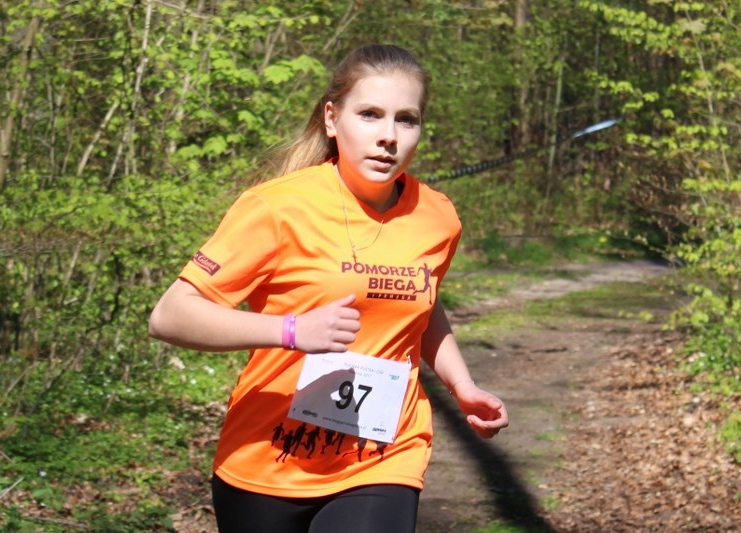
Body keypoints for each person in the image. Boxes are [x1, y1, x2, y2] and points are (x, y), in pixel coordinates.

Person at [149, 43, 509, 533]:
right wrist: (291, 330)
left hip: (384, 455)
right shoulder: (277, 207)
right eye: (370, 114)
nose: (388, 136)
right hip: (268, 458)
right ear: (332, 118)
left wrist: (461, 385)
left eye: (406, 119)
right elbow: (170, 315)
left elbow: (421, 306)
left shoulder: (437, 215)